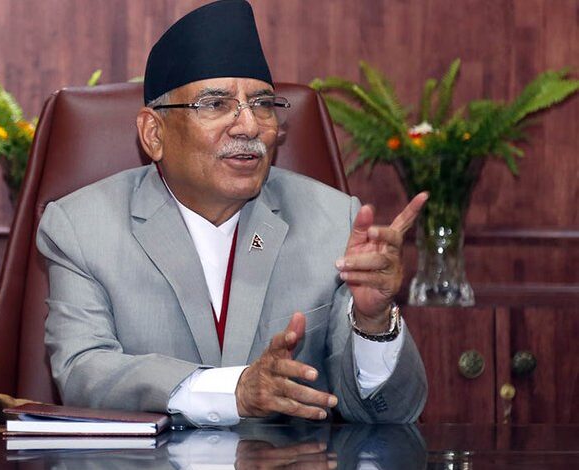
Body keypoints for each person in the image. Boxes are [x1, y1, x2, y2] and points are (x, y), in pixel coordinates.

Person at [36, 0, 428, 427]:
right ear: (154, 134)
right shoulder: (82, 226)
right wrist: (231, 391)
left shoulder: (333, 221)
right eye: (215, 104)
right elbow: (83, 372)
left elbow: (391, 416)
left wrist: (373, 323)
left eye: (262, 104)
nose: (249, 126)